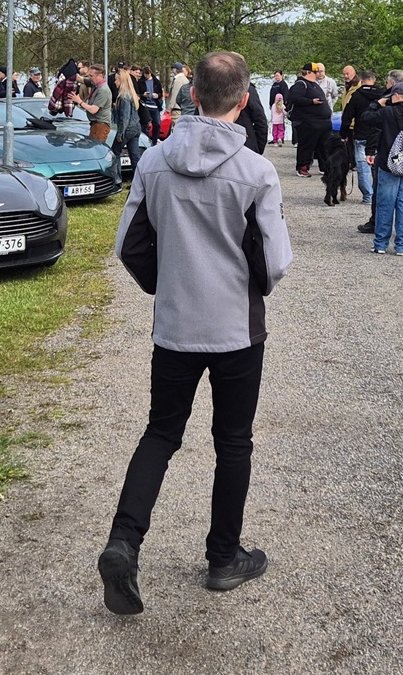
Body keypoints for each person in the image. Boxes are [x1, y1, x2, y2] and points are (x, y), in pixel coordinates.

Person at [102, 50, 291, 615]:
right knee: (232, 441)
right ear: (242, 98)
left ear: (193, 94)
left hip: (177, 324)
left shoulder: (154, 161)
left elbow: (129, 245)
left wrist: (170, 284)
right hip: (236, 326)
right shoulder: (256, 170)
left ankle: (124, 544)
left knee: (161, 434)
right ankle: (223, 557)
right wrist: (249, 282)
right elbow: (275, 258)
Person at [365, 73, 403, 256]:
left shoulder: (387, 112)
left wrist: (378, 103)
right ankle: (402, 245)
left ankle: (381, 243)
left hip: (387, 161)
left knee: (385, 203)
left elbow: (366, 118)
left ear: (397, 96)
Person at [341, 69, 386, 214]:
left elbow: (347, 116)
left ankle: (368, 195)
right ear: (374, 79)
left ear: (361, 79)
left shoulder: (356, 95)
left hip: (361, 134)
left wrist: (344, 133)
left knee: (362, 166)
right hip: (379, 134)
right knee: (378, 165)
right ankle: (380, 193)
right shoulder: (383, 94)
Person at [285, 65, 330, 177]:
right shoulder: (301, 84)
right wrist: (311, 101)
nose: (318, 74)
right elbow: (294, 98)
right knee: (307, 146)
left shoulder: (314, 84)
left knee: (323, 146)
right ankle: (302, 167)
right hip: (308, 121)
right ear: (308, 72)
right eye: (316, 72)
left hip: (323, 122)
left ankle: (324, 167)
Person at [111, 67, 145, 173]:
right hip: (136, 127)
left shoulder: (123, 97)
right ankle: (139, 180)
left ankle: (117, 179)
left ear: (121, 81)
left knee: (115, 152)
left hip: (128, 129)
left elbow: (124, 117)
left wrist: (120, 133)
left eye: (116, 80)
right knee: (135, 156)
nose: (114, 82)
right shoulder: (132, 95)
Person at [75, 64, 115, 144]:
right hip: (95, 125)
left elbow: (93, 110)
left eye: (91, 76)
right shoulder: (94, 84)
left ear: (100, 76)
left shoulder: (103, 90)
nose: (90, 78)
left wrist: (79, 101)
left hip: (101, 126)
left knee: (96, 149)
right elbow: (80, 79)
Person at [237, 81, 268, 154]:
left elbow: (260, 121)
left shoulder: (247, 89)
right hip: (246, 144)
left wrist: (257, 148)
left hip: (246, 144)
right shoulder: (247, 89)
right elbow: (260, 121)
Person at [137, 65, 164, 146]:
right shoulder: (140, 82)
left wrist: (158, 96)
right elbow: (138, 94)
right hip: (145, 105)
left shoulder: (156, 81)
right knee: (145, 125)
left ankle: (155, 141)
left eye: (148, 74)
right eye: (145, 74)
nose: (147, 76)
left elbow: (160, 93)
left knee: (157, 124)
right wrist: (143, 95)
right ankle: (146, 140)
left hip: (155, 105)